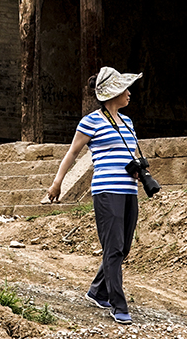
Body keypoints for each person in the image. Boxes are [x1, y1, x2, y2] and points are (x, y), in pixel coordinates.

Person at [46, 66, 143, 326]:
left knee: (123, 248)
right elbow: (72, 153)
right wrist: (58, 183)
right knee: (112, 248)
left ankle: (97, 291)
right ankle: (118, 305)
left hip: (129, 190)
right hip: (106, 191)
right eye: (125, 89)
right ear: (113, 93)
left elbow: (128, 154)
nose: (129, 93)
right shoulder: (91, 121)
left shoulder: (129, 122)